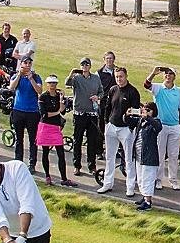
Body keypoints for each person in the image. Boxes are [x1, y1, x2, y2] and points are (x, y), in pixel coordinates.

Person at [98, 65, 141, 195]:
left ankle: (130, 187)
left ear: (126, 76)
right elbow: (108, 107)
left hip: (125, 129)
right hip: (111, 126)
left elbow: (136, 113)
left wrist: (130, 128)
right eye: (117, 77)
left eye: (121, 77)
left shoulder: (133, 92)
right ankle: (108, 183)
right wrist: (106, 122)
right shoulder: (113, 89)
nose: (119, 79)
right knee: (109, 157)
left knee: (128, 159)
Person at [143, 67, 180, 190]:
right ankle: (158, 179)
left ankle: (173, 180)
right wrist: (153, 73)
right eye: (166, 73)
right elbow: (146, 84)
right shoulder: (158, 88)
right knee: (160, 154)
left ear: (174, 76)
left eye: (170, 74)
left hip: (174, 126)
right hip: (161, 126)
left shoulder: (178, 91)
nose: (168, 75)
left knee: (173, 154)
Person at [66, 59, 102, 175]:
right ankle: (77, 166)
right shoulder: (77, 78)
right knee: (77, 140)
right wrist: (71, 73)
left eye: (86, 64)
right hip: (79, 113)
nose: (85, 66)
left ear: (90, 66)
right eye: (82, 65)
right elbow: (67, 83)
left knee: (92, 141)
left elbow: (101, 92)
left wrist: (97, 97)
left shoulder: (96, 78)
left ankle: (92, 166)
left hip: (92, 114)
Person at [7, 57, 43, 166]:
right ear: (21, 64)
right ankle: (18, 161)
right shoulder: (16, 76)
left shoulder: (36, 77)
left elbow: (39, 91)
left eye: (29, 63)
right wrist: (19, 75)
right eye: (25, 63)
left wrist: (31, 79)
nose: (27, 65)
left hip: (32, 112)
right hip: (18, 110)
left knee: (33, 139)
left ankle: (32, 163)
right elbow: (11, 87)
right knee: (19, 138)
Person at [36, 75, 69, 186]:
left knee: (61, 153)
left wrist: (61, 100)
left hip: (55, 127)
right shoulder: (43, 97)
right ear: (47, 84)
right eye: (50, 83)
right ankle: (47, 176)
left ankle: (64, 178)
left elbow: (63, 111)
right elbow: (44, 115)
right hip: (46, 127)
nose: (52, 85)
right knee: (45, 152)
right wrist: (57, 112)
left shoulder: (57, 96)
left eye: (54, 83)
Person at [132, 102, 163, 211]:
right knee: (140, 179)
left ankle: (148, 202)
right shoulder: (141, 121)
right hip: (140, 155)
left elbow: (158, 127)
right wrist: (127, 114)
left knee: (148, 179)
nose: (146, 112)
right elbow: (128, 121)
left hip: (149, 156)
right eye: (145, 109)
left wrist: (148, 118)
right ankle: (144, 197)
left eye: (148, 110)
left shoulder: (156, 122)